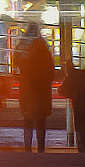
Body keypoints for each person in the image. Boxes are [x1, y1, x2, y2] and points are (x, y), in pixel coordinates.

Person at [13, 22, 55, 152]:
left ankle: (27, 148)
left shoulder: (21, 46)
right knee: (40, 120)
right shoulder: (43, 47)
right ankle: (40, 148)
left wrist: (21, 77)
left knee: (28, 119)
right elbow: (50, 70)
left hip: (27, 88)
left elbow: (16, 65)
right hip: (42, 89)